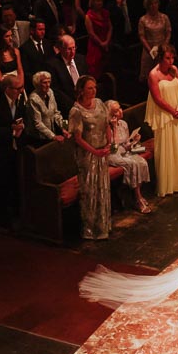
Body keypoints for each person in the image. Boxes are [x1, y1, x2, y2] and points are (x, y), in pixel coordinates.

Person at [66, 76, 112, 240]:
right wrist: (94, 151)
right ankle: (90, 228)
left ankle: (103, 225)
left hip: (102, 153)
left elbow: (107, 125)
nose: (93, 91)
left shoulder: (99, 103)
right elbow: (78, 138)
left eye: (94, 87)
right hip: (87, 156)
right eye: (90, 88)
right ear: (81, 91)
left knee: (103, 188)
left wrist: (109, 144)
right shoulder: (76, 111)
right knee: (90, 191)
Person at [147, 46, 178, 197]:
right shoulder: (153, 75)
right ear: (160, 58)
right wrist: (172, 111)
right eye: (167, 58)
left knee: (177, 146)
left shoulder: (174, 70)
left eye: (172, 58)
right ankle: (166, 184)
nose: (171, 62)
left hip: (177, 114)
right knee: (165, 147)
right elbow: (157, 98)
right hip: (164, 116)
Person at [104, 100, 151, 213]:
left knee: (141, 161)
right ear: (110, 114)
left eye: (120, 108)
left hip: (124, 152)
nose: (120, 111)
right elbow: (113, 149)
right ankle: (137, 198)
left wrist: (134, 141)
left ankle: (137, 194)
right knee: (133, 164)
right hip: (112, 155)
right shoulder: (107, 128)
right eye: (116, 110)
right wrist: (114, 128)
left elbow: (126, 145)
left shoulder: (124, 124)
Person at [25, 70, 68, 144]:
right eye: (45, 82)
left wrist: (64, 128)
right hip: (39, 138)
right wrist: (53, 136)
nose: (48, 85)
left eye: (49, 82)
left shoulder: (50, 92)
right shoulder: (33, 99)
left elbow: (56, 113)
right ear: (37, 84)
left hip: (51, 133)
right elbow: (38, 123)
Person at [137, 0, 171, 83]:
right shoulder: (143, 20)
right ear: (147, 6)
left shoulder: (164, 17)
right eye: (151, 4)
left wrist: (164, 46)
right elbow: (141, 36)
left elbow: (168, 32)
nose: (154, 6)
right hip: (148, 51)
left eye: (155, 3)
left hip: (162, 51)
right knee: (149, 78)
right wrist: (150, 51)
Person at [83, 0, 112, 77]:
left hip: (107, 42)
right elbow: (91, 33)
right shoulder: (88, 16)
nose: (100, 3)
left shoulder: (105, 13)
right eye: (98, 1)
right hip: (95, 44)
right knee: (95, 68)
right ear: (92, 2)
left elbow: (110, 27)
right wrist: (101, 43)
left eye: (101, 1)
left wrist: (106, 41)